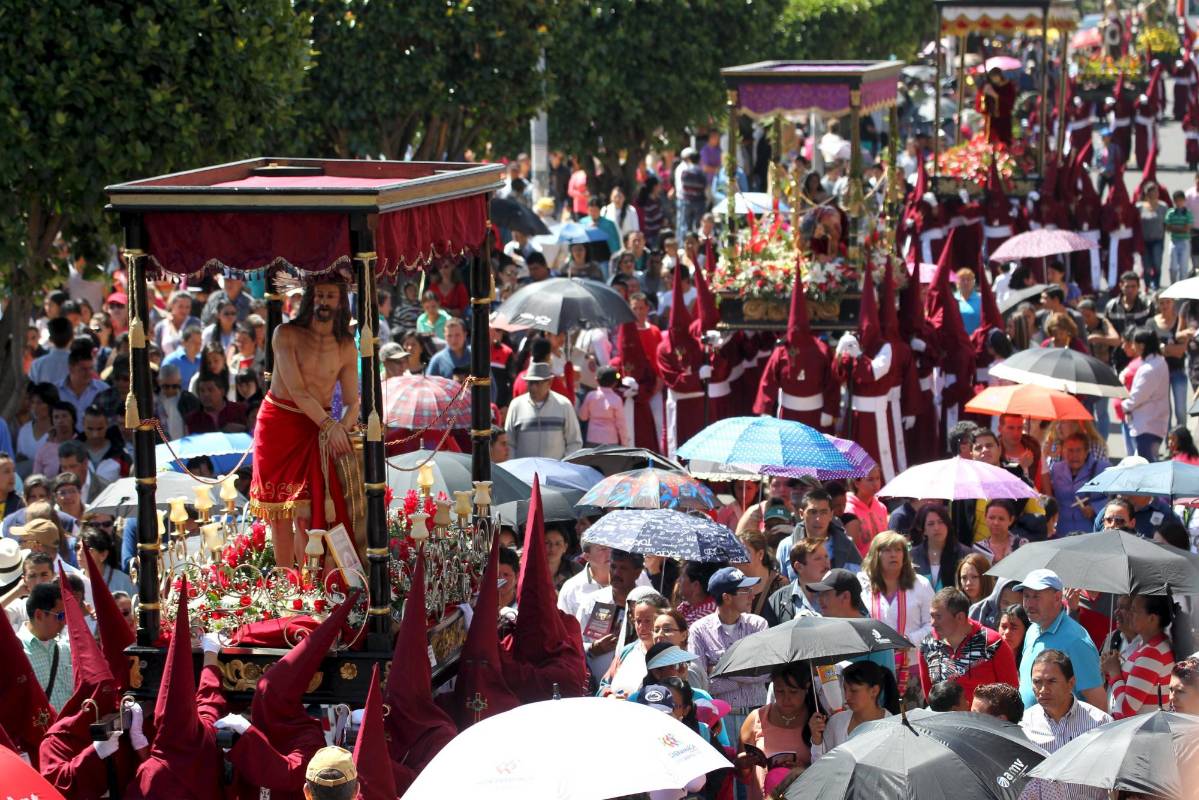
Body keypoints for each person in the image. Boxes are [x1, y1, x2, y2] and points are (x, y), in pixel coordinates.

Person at [250, 278, 359, 570]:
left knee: (311, 512)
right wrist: (330, 426)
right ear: (309, 298)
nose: (324, 301)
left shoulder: (346, 345)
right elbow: (296, 390)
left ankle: (312, 582)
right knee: (281, 513)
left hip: (317, 427)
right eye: (320, 295)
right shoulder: (285, 334)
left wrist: (343, 428)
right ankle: (287, 582)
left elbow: (352, 400)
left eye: (331, 296)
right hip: (280, 423)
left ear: (341, 302)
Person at [688, 567, 770, 739]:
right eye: (745, 590)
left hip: (758, 716)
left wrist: (721, 671)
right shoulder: (699, 631)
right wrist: (746, 671)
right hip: (721, 721)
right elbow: (702, 684)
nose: (752, 595)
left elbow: (766, 671)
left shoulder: (758, 625)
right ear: (726, 597)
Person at [1021, 650, 1112, 800]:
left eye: (1052, 681)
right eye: (1037, 682)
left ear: (1071, 683)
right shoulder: (1024, 726)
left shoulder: (1100, 723)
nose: (1043, 689)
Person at [1016, 570, 1107, 710]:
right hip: (1029, 727)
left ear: (1058, 598)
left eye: (1036, 596)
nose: (1029, 604)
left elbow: (1099, 706)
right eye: (1026, 596)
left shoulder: (1076, 640)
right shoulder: (1032, 630)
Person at [858, 532, 933, 691]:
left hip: (912, 667)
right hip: (873, 668)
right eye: (887, 550)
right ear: (875, 554)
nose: (894, 555)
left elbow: (934, 624)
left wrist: (908, 640)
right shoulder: (863, 585)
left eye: (898, 550)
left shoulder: (921, 584)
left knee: (911, 716)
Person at [918, 587, 1019, 704]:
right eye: (932, 616)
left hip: (985, 721)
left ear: (960, 617)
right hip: (944, 720)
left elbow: (1012, 694)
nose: (933, 623)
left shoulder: (993, 643)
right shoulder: (927, 646)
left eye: (938, 617)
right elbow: (930, 696)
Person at [738, 663, 814, 800]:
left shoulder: (816, 721)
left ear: (807, 686)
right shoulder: (756, 719)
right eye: (780, 691)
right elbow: (742, 777)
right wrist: (743, 764)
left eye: (793, 692)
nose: (786, 699)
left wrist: (803, 768)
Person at [1103, 594, 1176, 718]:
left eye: (1135, 610)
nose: (1130, 614)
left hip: (1140, 732)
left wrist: (1114, 672)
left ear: (1152, 619)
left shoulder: (1153, 653)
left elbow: (1127, 710)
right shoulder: (1148, 645)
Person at [808, 661, 897, 758]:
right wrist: (817, 740)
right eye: (845, 689)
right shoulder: (836, 722)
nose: (847, 697)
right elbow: (820, 766)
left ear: (874, 691)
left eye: (854, 691)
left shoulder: (892, 727)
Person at [774, 488, 862, 578]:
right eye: (813, 512)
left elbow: (857, 584)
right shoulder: (787, 546)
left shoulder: (846, 546)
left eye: (823, 512)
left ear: (831, 514)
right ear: (801, 513)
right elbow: (780, 584)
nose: (818, 519)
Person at [504, 362, 582, 459]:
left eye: (537, 383)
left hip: (555, 472)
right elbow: (509, 443)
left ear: (549, 382)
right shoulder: (516, 405)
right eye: (530, 382)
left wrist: (563, 465)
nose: (533, 387)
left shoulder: (564, 405)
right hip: (523, 472)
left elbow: (574, 442)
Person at [18, 581, 71, 710]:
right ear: (39, 615)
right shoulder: (16, 654)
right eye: (60, 615)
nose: (64, 622)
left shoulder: (66, 648)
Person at [1050, 433, 1110, 534]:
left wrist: (1095, 508)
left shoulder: (1102, 469)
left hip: (1089, 530)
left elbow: (1112, 497)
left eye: (1078, 450)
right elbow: (1049, 495)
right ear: (1063, 451)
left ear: (1086, 452)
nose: (1074, 455)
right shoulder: (1056, 469)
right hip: (1061, 530)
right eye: (1070, 450)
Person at [763, 539, 829, 626]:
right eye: (818, 559)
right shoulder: (777, 601)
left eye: (826, 556)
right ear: (799, 567)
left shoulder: (838, 594)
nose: (826, 562)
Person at [909, 504, 972, 591]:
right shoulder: (912, 555)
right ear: (923, 530)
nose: (937, 528)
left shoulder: (965, 554)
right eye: (931, 524)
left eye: (941, 522)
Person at [736, 531, 788, 619]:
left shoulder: (780, 585)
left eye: (744, 552)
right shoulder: (732, 585)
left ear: (760, 554)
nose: (739, 557)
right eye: (736, 552)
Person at [577, 366, 629, 446]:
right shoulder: (617, 399)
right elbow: (621, 424)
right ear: (615, 383)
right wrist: (625, 442)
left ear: (596, 380)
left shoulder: (591, 396)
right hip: (611, 440)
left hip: (592, 438)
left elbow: (583, 416)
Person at [974, 500, 1028, 565]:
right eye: (991, 518)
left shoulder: (1022, 544)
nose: (996, 523)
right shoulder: (978, 548)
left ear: (1011, 520)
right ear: (985, 518)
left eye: (1001, 519)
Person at [1165, 190, 1194, 286]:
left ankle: (1183, 288)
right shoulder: (1170, 212)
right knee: (1172, 267)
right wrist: (1180, 228)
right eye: (1177, 201)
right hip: (1174, 241)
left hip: (1185, 241)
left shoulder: (1188, 213)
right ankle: (1173, 285)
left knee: (1183, 268)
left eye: (1181, 200)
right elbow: (1168, 227)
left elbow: (1187, 228)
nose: (1179, 203)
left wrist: (1175, 227)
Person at [998, 603, 1032, 669]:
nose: (1007, 633)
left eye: (1014, 628)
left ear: (1026, 630)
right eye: (1004, 627)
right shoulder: (988, 658)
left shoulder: (1031, 661)